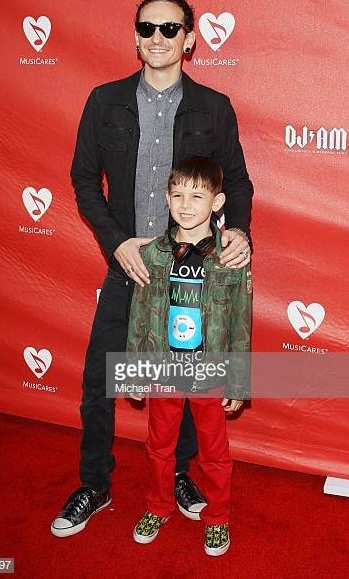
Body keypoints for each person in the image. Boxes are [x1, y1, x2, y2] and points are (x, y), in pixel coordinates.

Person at [51, 0, 253, 538]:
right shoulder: (104, 100)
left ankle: (181, 476)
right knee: (100, 378)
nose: (156, 39)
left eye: (169, 29)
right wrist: (117, 242)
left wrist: (239, 230)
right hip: (130, 266)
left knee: (185, 386)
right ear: (135, 36)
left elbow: (235, 181)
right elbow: (82, 180)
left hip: (190, 269)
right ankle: (94, 485)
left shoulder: (215, 106)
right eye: (146, 29)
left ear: (189, 39)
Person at [129, 156, 251, 556]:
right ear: (166, 197)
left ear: (217, 203)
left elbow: (239, 323)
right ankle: (158, 506)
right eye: (178, 194)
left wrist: (239, 379)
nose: (185, 204)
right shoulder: (152, 255)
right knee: (158, 445)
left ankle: (217, 517)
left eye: (197, 195)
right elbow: (140, 315)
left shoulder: (230, 258)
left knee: (214, 451)